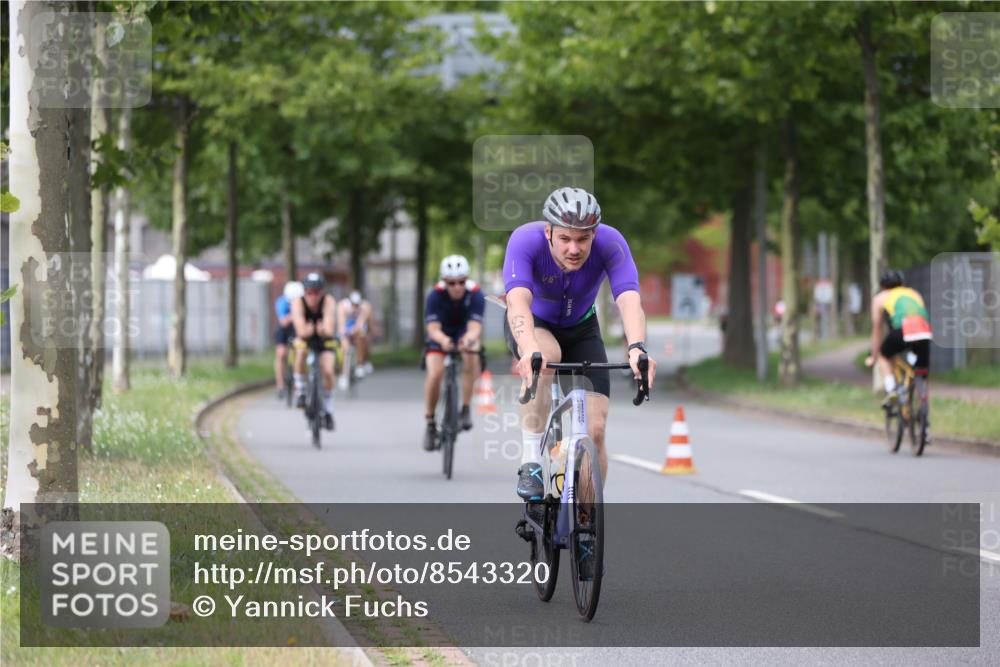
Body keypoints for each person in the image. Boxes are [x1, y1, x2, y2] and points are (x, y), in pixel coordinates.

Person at [503, 187, 657, 501]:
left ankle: (586, 519)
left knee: (596, 431)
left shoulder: (611, 242)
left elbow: (629, 300)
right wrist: (528, 346)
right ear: (548, 232)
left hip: (583, 328)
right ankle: (531, 462)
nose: (574, 248)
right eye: (565, 239)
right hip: (536, 325)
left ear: (594, 234)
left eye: (583, 239)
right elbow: (517, 302)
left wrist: (637, 348)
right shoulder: (525, 240)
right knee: (547, 356)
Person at [422, 255, 485, 452]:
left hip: (463, 332)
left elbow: (475, 327)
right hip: (441, 334)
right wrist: (444, 341)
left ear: (466, 280)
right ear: (444, 281)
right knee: (435, 373)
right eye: (451, 283)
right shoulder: (435, 295)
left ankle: (465, 408)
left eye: (461, 282)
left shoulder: (475, 294)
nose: (457, 287)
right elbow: (432, 328)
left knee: (472, 353)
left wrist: (468, 339)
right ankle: (430, 422)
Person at [864, 269, 933, 406]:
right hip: (923, 331)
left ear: (883, 286)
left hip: (902, 330)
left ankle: (891, 390)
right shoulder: (914, 293)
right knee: (921, 371)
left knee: (884, 356)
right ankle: (923, 411)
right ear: (902, 283)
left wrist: (873, 356)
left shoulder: (880, 297)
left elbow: (877, 329)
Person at [291, 272, 338, 430]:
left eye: (316, 292)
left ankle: (328, 410)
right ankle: (301, 390)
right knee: (300, 352)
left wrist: (322, 330)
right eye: (309, 292)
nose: (313, 296)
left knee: (329, 371)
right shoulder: (298, 302)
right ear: (304, 292)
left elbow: (329, 328)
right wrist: (309, 330)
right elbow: (300, 329)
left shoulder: (329, 301)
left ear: (322, 292)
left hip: (324, 339)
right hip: (306, 338)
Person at [337, 289, 374, 389]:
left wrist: (355, 331)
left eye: (357, 304)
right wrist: (345, 333)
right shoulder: (343, 306)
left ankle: (360, 364)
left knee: (362, 337)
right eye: (353, 304)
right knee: (345, 348)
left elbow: (361, 323)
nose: (355, 307)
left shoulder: (365, 307)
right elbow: (341, 323)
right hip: (346, 327)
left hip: (358, 328)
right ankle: (344, 374)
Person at [274, 281, 303, 400]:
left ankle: (298, 384)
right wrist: (295, 315)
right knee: (281, 354)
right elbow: (283, 322)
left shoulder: (302, 302)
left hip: (298, 329)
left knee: (300, 353)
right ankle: (280, 385)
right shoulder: (282, 302)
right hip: (285, 330)